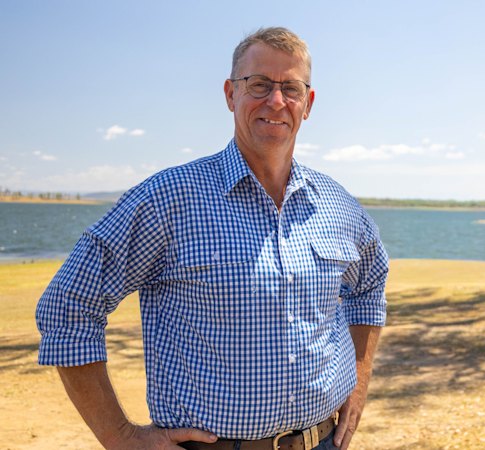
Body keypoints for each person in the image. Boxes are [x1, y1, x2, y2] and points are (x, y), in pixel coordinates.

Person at [35, 27, 388, 450]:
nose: (276, 101)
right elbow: (68, 307)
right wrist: (121, 436)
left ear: (307, 104)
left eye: (290, 88)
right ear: (230, 94)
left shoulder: (337, 204)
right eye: (259, 85)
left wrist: (359, 382)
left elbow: (370, 284)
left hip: (323, 441)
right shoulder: (167, 198)